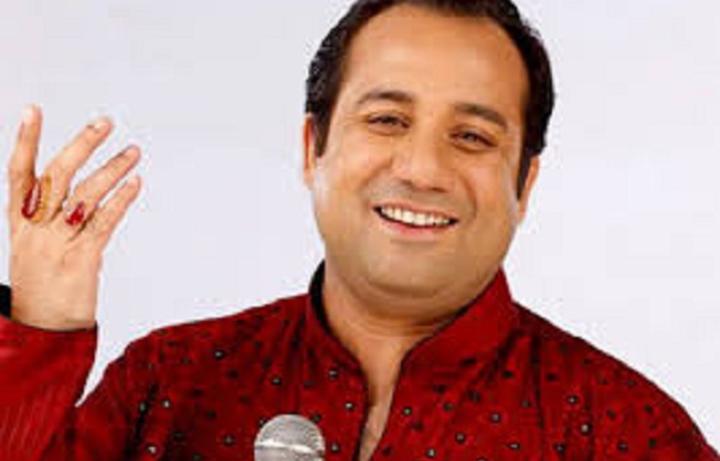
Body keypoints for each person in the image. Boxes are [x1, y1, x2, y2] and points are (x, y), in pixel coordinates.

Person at [0, 0, 717, 460]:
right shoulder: (166, 384)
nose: (422, 168)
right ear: (313, 147)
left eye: (472, 136)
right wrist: (40, 333)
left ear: (524, 184)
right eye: (387, 119)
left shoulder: (627, 433)